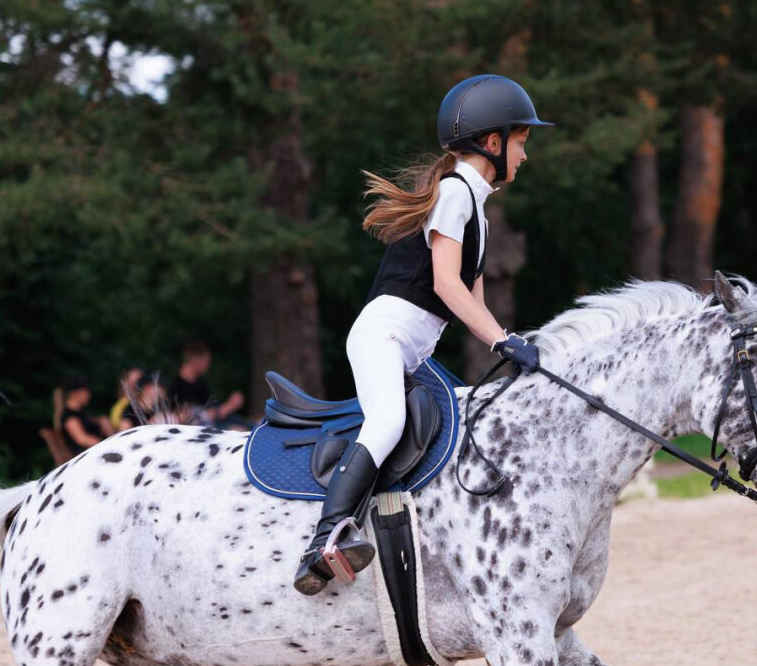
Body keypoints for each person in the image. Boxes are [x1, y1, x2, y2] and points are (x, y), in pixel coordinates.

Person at [293, 74, 551, 595]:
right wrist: (502, 342)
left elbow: (474, 305)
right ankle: (325, 540)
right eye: (522, 142)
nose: (525, 155)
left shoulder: (476, 207)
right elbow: (445, 285)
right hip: (383, 336)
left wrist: (515, 340)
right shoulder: (455, 193)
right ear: (493, 142)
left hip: (412, 350)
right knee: (388, 420)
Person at [168, 342, 245, 428]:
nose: (207, 366)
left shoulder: (199, 384)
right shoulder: (177, 389)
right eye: (206, 362)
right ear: (196, 361)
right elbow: (196, 417)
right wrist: (230, 405)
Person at [58, 376, 110, 457]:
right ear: (74, 394)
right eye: (85, 391)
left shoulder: (79, 413)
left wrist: (101, 422)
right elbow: (82, 439)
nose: (88, 395)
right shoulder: (69, 417)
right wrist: (106, 444)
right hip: (89, 456)